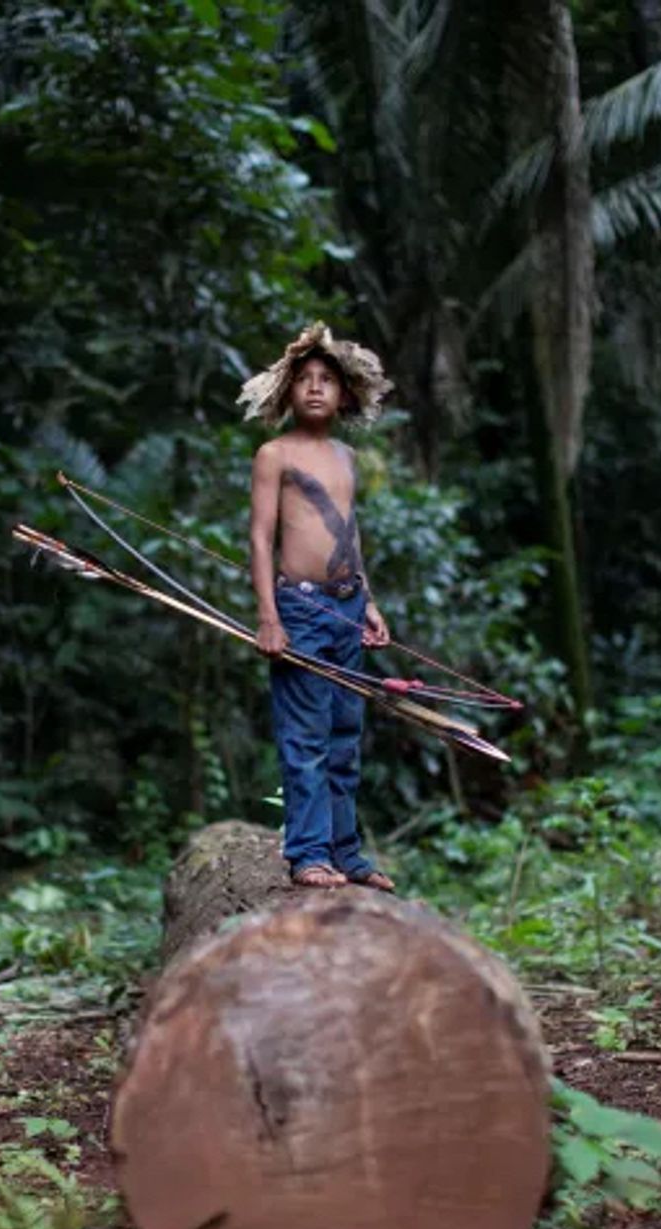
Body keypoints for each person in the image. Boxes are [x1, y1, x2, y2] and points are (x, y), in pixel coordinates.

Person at [239, 322, 398, 891]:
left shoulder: (346, 457)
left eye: (325, 380)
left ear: (344, 394)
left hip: (347, 607)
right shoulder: (274, 453)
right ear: (288, 392)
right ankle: (308, 853)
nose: (313, 388)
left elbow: (349, 536)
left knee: (344, 732)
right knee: (304, 734)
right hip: (300, 608)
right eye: (303, 379)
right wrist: (269, 615)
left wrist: (370, 602)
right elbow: (261, 538)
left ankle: (346, 853)